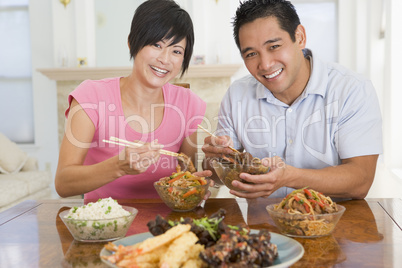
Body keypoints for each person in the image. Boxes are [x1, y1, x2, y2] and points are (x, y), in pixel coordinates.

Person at [202, 0, 382, 199]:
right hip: (261, 224)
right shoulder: (237, 94)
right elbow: (218, 176)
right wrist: (215, 159)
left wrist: (290, 177)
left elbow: (361, 180)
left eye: (274, 46)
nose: (266, 64)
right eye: (252, 54)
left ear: (300, 37)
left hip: (336, 224)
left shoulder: (351, 90)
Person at [55, 0, 211, 199]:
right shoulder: (91, 97)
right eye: (157, 44)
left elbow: (186, 173)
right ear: (132, 42)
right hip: (107, 222)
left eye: (176, 51)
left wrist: (196, 188)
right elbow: (63, 183)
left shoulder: (189, 103)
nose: (165, 58)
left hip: (167, 225)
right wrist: (118, 166)